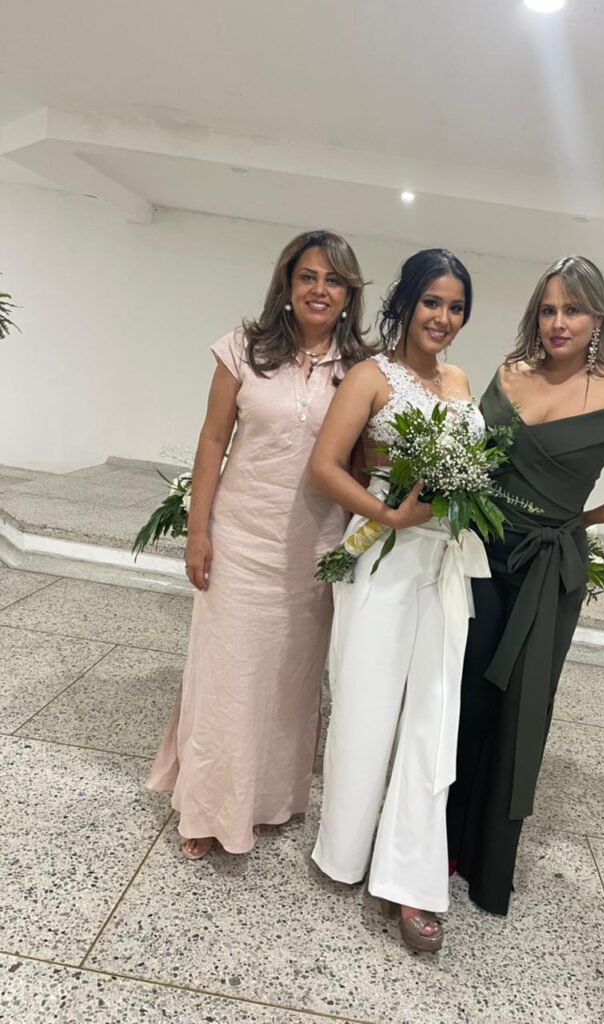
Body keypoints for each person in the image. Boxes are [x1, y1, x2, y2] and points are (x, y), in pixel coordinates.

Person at [447, 255, 604, 915]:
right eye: (549, 309)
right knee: (463, 698)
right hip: (477, 556)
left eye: (573, 310)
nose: (558, 322)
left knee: (521, 712)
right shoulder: (508, 374)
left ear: (597, 317)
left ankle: (487, 863)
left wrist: (586, 519)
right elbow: (472, 460)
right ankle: (436, 842)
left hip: (546, 573)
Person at [147, 229, 369, 859]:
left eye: (333, 280)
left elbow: (362, 463)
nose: (319, 289)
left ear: (349, 293)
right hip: (240, 541)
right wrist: (198, 531)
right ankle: (206, 810)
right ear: (287, 284)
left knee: (287, 686)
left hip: (313, 553)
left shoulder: (359, 369)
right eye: (308, 276)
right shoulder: (243, 348)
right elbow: (213, 440)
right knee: (226, 679)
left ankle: (268, 802)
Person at [309, 249, 490, 952]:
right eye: (432, 302)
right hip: (382, 561)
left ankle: (410, 876)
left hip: (444, 564)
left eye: (456, 306)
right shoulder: (370, 376)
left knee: (432, 719)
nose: (443, 317)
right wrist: (388, 515)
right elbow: (325, 467)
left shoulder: (460, 381)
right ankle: (346, 850)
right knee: (366, 706)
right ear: (406, 303)